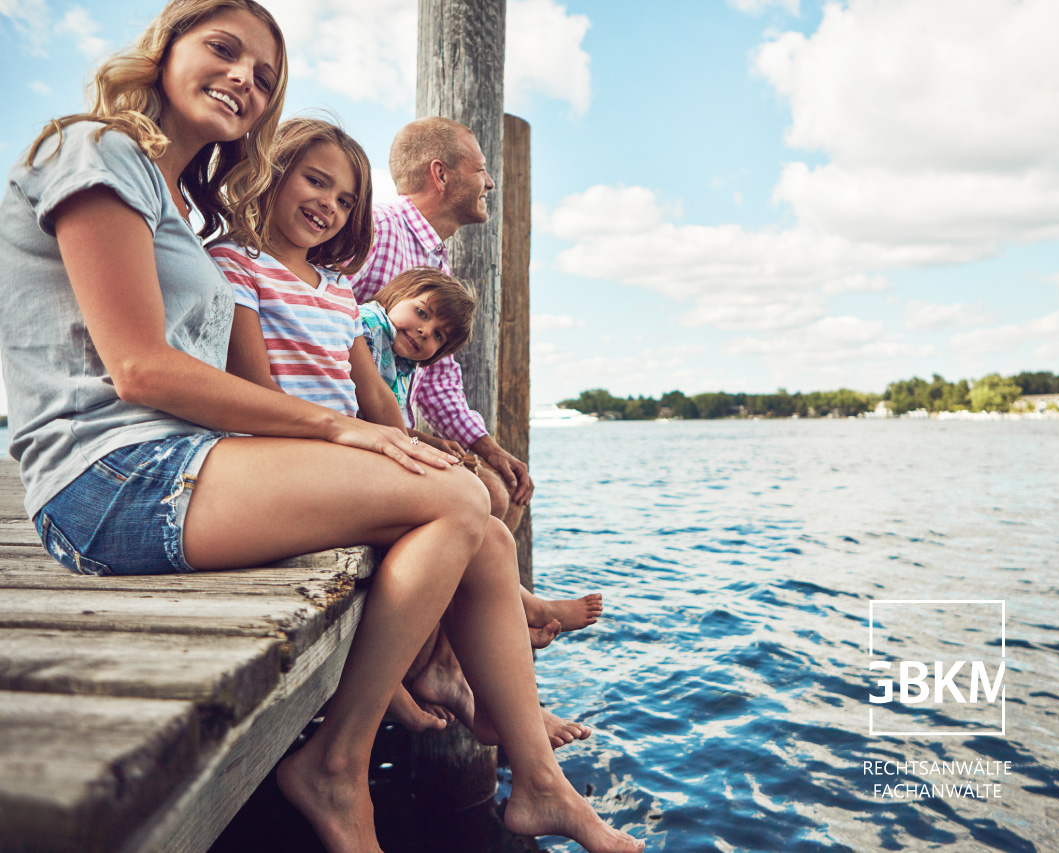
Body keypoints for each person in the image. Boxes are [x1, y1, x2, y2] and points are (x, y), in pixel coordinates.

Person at [0, 3, 643, 852]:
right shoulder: (97, 150)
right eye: (222, 49)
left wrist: (390, 432)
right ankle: (339, 762)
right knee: (456, 497)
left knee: (485, 531)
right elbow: (141, 370)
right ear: (164, 50)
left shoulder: (171, 201)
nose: (243, 78)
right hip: (106, 481)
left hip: (174, 464)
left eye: (265, 76)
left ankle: (537, 781)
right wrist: (341, 433)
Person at [208, 117, 599, 741]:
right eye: (317, 183)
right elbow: (267, 389)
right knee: (475, 502)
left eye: (346, 201)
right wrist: (377, 440)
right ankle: (456, 662)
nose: (332, 208)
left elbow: (382, 386)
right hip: (291, 451)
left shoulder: (341, 288)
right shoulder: (298, 252)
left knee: (485, 505)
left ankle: (503, 723)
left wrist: (447, 445)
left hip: (343, 443)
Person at [350, 117, 532, 527]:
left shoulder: (435, 263)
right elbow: (321, 313)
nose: (489, 183)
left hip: (393, 432)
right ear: (441, 174)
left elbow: (437, 377)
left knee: (507, 492)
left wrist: (488, 449)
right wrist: (414, 438)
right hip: (355, 431)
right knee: (490, 497)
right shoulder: (378, 228)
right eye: (481, 169)